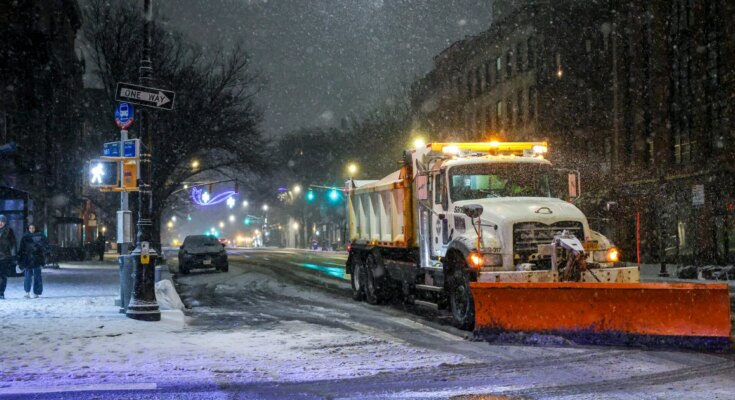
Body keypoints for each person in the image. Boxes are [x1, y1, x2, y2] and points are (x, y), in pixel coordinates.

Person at [18, 224, 48, 299]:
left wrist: (43, 257)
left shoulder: (40, 236)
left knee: (37, 276)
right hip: (28, 258)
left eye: (33, 228)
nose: (31, 229)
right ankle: (27, 292)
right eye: (30, 228)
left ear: (35, 228)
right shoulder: (25, 237)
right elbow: (22, 249)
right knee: (28, 276)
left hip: (37, 258)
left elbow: (44, 247)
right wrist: (21, 259)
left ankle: (36, 292)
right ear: (28, 228)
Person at [0, 215, 17, 300]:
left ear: (5, 222)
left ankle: (1, 292)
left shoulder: (9, 231)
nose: (0, 223)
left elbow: (13, 243)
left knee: (3, 275)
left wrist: (13, 255)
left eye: (2, 221)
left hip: (5, 256)